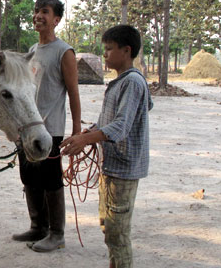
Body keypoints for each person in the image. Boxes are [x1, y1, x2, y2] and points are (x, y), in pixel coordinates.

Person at [60, 24, 153, 268]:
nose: (105, 54)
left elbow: (120, 126)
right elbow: (109, 121)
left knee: (118, 233)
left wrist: (85, 139)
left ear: (126, 50)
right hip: (110, 165)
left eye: (109, 49)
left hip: (123, 168)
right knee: (108, 225)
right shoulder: (120, 82)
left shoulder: (132, 82)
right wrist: (87, 133)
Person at [12, 0, 81, 252]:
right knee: (29, 176)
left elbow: (73, 93)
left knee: (50, 179)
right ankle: (37, 226)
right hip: (27, 129)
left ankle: (57, 234)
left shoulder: (65, 52)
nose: (38, 16)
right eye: (36, 11)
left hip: (50, 130)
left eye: (45, 12)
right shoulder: (32, 50)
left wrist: (76, 132)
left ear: (56, 19)